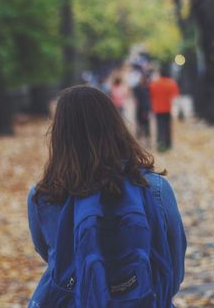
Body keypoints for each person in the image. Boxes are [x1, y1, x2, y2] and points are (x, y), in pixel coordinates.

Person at [27, 86, 186, 307]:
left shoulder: (43, 196)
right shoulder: (155, 189)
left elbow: (54, 258)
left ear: (59, 134)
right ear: (116, 126)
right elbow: (173, 269)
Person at [149, 66, 180, 152]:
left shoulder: (154, 83)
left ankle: (160, 144)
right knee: (167, 126)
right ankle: (168, 144)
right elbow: (175, 96)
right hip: (168, 108)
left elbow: (151, 95)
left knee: (160, 126)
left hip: (157, 108)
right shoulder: (172, 83)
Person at [133, 74, 151, 145]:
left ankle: (147, 140)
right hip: (139, 108)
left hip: (145, 108)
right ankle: (140, 139)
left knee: (146, 125)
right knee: (139, 124)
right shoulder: (138, 88)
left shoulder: (148, 88)